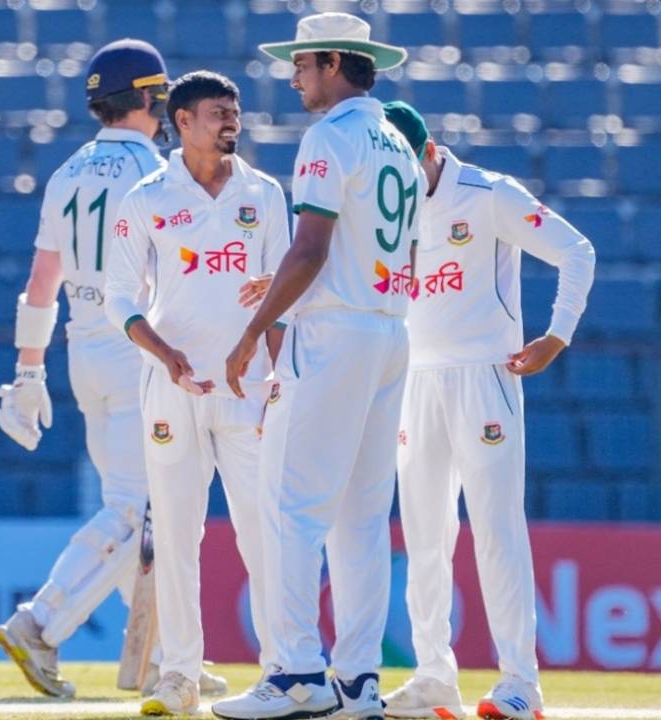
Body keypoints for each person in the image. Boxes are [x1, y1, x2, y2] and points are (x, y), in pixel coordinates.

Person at [214, 13, 422, 720]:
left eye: (303, 63)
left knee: (291, 508)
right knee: (362, 519)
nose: (294, 76)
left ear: (335, 61)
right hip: (389, 330)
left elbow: (311, 249)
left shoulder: (330, 136)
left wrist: (254, 330)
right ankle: (359, 681)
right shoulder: (397, 141)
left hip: (333, 334)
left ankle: (297, 672)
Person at [0, 38, 208, 701]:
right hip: (138, 350)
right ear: (148, 98)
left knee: (138, 511)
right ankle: (40, 623)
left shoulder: (67, 172)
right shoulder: (161, 175)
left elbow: (41, 281)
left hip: (83, 351)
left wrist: (29, 372)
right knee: (137, 511)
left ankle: (168, 656)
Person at [379, 101, 595, 720]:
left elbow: (576, 250)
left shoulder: (488, 193)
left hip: (485, 376)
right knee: (423, 537)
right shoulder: (384, 202)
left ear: (426, 152)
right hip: (415, 380)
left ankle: (521, 683)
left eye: (401, 168)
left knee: (496, 529)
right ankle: (432, 677)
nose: (392, 185)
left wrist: (558, 334)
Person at [104, 70, 289, 717]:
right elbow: (118, 298)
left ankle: (283, 670)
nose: (231, 121)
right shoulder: (147, 197)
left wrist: (281, 376)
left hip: (248, 388)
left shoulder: (265, 193)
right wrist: (165, 354)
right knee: (178, 536)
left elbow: (287, 294)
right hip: (173, 387)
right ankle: (179, 675)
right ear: (182, 121)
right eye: (217, 112)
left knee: (263, 533)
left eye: (234, 112)